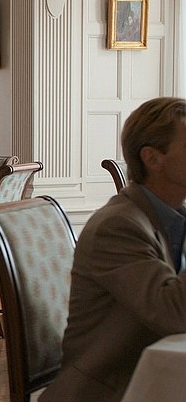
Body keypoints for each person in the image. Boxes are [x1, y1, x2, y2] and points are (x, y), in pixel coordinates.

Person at [40, 97, 186, 402]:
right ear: (153, 158)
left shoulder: (174, 215)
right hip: (112, 389)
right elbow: (174, 313)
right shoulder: (118, 227)